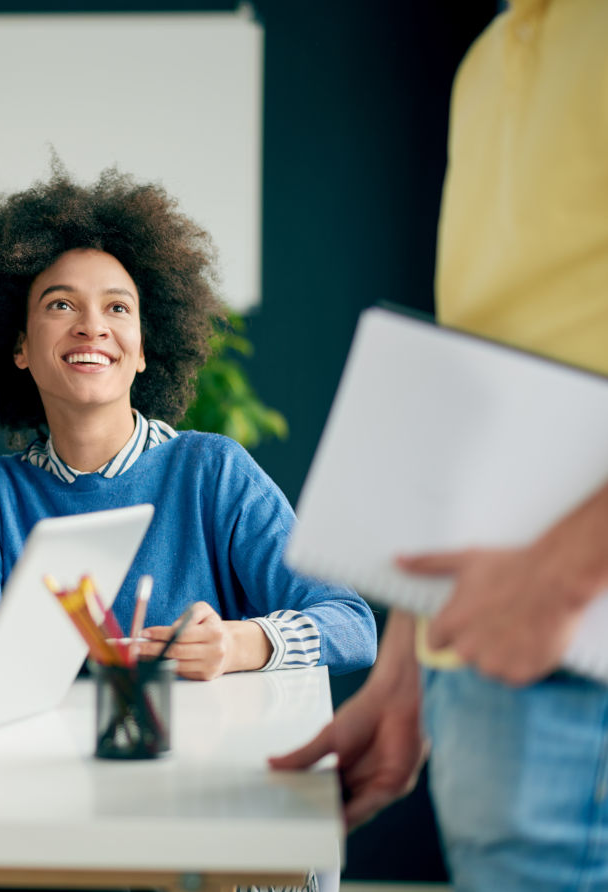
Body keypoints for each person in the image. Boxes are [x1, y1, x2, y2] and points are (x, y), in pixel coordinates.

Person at [271, 3, 608, 889]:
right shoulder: (494, 54)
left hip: (582, 643)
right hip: (486, 652)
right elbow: (491, 361)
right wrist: (408, 664)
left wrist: (569, 567)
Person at [0, 166, 376, 679]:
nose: (92, 326)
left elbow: (351, 622)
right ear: (19, 346)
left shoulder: (212, 470)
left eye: (117, 307)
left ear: (143, 351)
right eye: (61, 304)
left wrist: (239, 644)